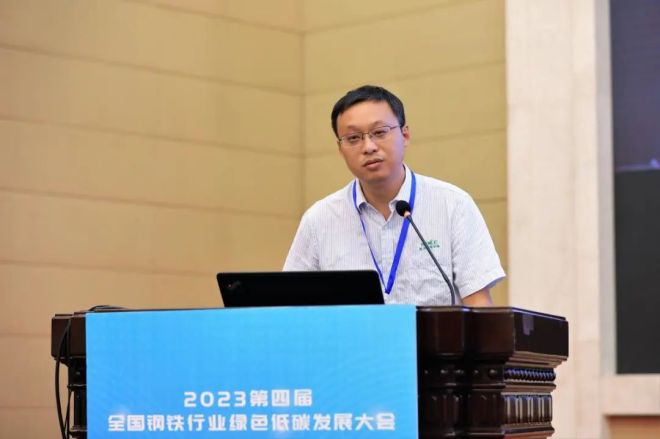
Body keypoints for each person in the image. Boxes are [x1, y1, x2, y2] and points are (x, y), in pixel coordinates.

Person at [284, 85, 504, 306]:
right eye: (353, 138)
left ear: (405, 135)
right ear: (340, 149)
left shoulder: (453, 205)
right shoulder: (319, 220)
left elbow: (479, 305)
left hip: (431, 331)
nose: (369, 147)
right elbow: (289, 306)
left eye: (380, 132)